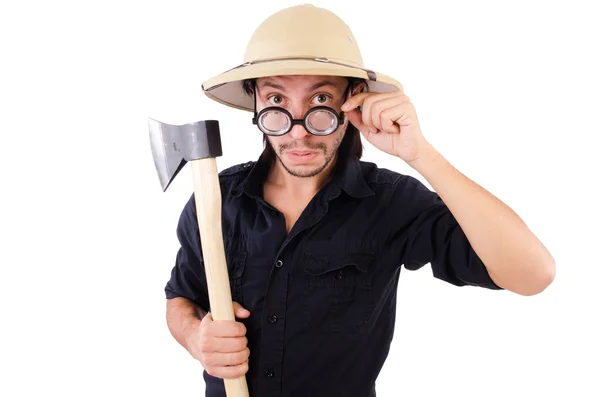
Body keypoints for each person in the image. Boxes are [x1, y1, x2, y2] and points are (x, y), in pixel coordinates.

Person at [164, 4, 555, 397]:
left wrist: (420, 154)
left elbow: (533, 274)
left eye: (320, 99)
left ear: (352, 99)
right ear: (255, 102)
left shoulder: (392, 202)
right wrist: (196, 337)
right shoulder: (216, 198)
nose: (299, 132)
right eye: (277, 101)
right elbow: (181, 298)